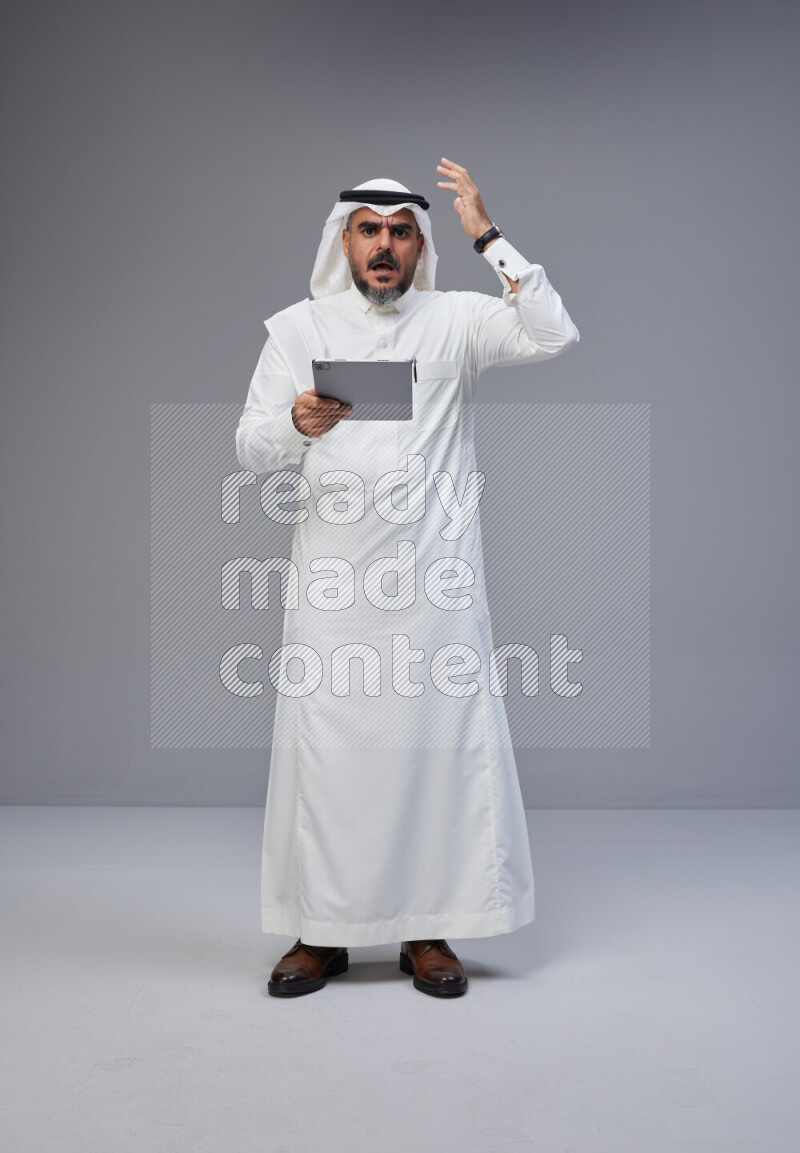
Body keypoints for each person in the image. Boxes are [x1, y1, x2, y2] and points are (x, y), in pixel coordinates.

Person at [235, 158, 580, 998]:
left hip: (435, 588)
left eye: (399, 232)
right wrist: (296, 423)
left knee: (435, 757)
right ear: (344, 241)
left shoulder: (457, 319)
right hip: (335, 590)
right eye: (369, 231)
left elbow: (552, 333)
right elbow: (249, 445)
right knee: (330, 761)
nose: (383, 246)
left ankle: (428, 929)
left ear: (420, 245)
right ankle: (321, 933)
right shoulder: (298, 330)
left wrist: (489, 239)